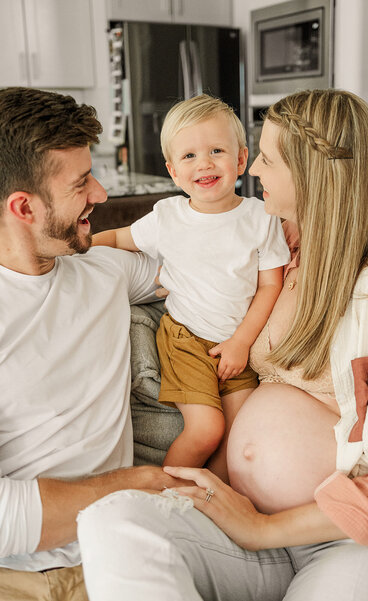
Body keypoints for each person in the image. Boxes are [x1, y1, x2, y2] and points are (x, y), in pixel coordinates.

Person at [78, 88, 368, 601]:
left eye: (267, 159)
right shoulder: (280, 241)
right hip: (240, 519)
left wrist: (263, 529)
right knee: (111, 518)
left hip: (337, 540)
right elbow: (176, 255)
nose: (254, 172)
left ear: (315, 172)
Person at [0, 86, 187, 601]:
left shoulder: (103, 271)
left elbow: (208, 272)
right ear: (24, 206)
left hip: (123, 553)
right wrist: (131, 486)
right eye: (81, 183)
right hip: (16, 578)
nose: (101, 195)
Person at [92, 94, 289, 480]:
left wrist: (241, 343)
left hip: (238, 345)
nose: (204, 163)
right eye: (189, 156)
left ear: (240, 159)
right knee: (207, 429)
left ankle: (208, 498)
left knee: (237, 433)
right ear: (173, 171)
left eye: (216, 150)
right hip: (185, 339)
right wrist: (78, 248)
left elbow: (270, 286)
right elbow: (117, 239)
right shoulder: (167, 216)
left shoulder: (260, 217)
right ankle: (164, 492)